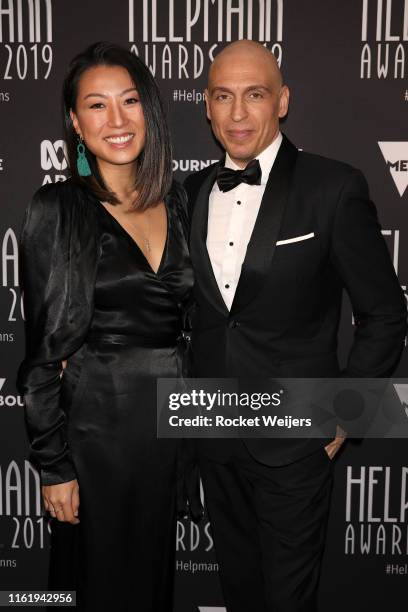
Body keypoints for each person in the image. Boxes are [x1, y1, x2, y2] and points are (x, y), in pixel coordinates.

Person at [183, 40, 407, 612]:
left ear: (282, 101)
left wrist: (346, 413)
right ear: (205, 107)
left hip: (296, 440)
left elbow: (384, 312)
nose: (237, 114)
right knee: (239, 593)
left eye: (254, 95)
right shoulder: (189, 194)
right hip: (213, 437)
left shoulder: (333, 187)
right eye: (223, 97)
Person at [17, 41, 193, 611]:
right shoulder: (58, 208)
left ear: (151, 111)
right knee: (96, 584)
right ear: (74, 121)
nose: (117, 120)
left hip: (168, 430)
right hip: (96, 431)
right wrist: (54, 464)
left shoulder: (182, 202)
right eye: (96, 106)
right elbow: (43, 353)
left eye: (130, 101)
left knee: (151, 584)